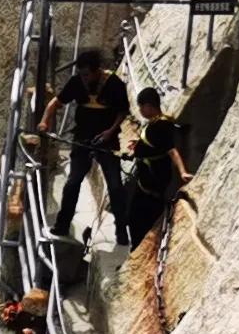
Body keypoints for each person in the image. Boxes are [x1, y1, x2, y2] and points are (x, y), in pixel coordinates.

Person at [33, 49, 129, 243]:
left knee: (116, 187)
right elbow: (55, 103)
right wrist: (44, 121)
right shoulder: (77, 82)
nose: (84, 78)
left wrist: (110, 131)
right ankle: (62, 226)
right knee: (72, 183)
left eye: (87, 74)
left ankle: (121, 232)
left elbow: (122, 111)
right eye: (82, 74)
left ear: (97, 71)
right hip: (82, 138)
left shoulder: (114, 84)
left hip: (106, 140)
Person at [118, 88, 191, 250]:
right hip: (144, 186)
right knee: (134, 221)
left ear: (149, 106)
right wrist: (138, 145)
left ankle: (137, 256)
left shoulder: (161, 126)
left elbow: (171, 150)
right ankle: (135, 254)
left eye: (141, 107)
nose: (140, 111)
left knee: (140, 224)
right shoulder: (155, 124)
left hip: (151, 190)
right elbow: (153, 146)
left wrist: (182, 171)